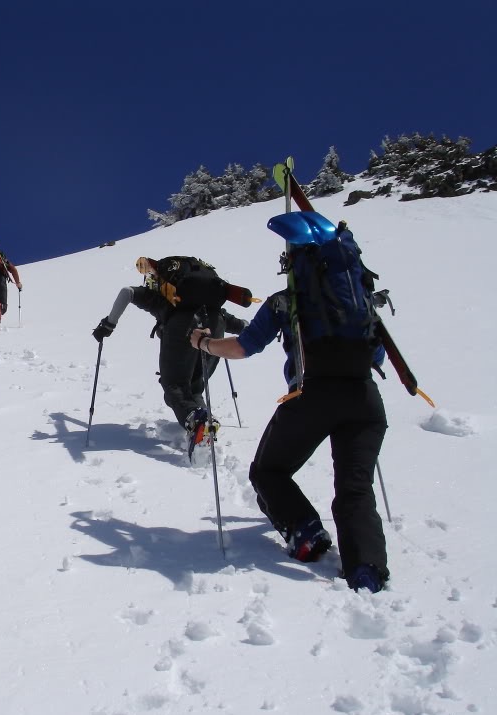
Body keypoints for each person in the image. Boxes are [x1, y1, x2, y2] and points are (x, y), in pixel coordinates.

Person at [187, 226, 389, 593]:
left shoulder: (285, 301)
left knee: (268, 470)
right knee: (355, 488)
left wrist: (203, 342)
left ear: (293, 261)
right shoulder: (359, 297)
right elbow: (378, 355)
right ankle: (367, 570)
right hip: (365, 398)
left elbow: (242, 348)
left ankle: (305, 532)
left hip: (311, 396)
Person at [92, 256, 249, 444]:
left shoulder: (161, 297)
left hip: (182, 328)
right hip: (216, 325)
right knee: (195, 386)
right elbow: (242, 326)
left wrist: (109, 324)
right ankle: (204, 422)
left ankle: (196, 422)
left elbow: (127, 292)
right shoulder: (208, 302)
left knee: (175, 385)